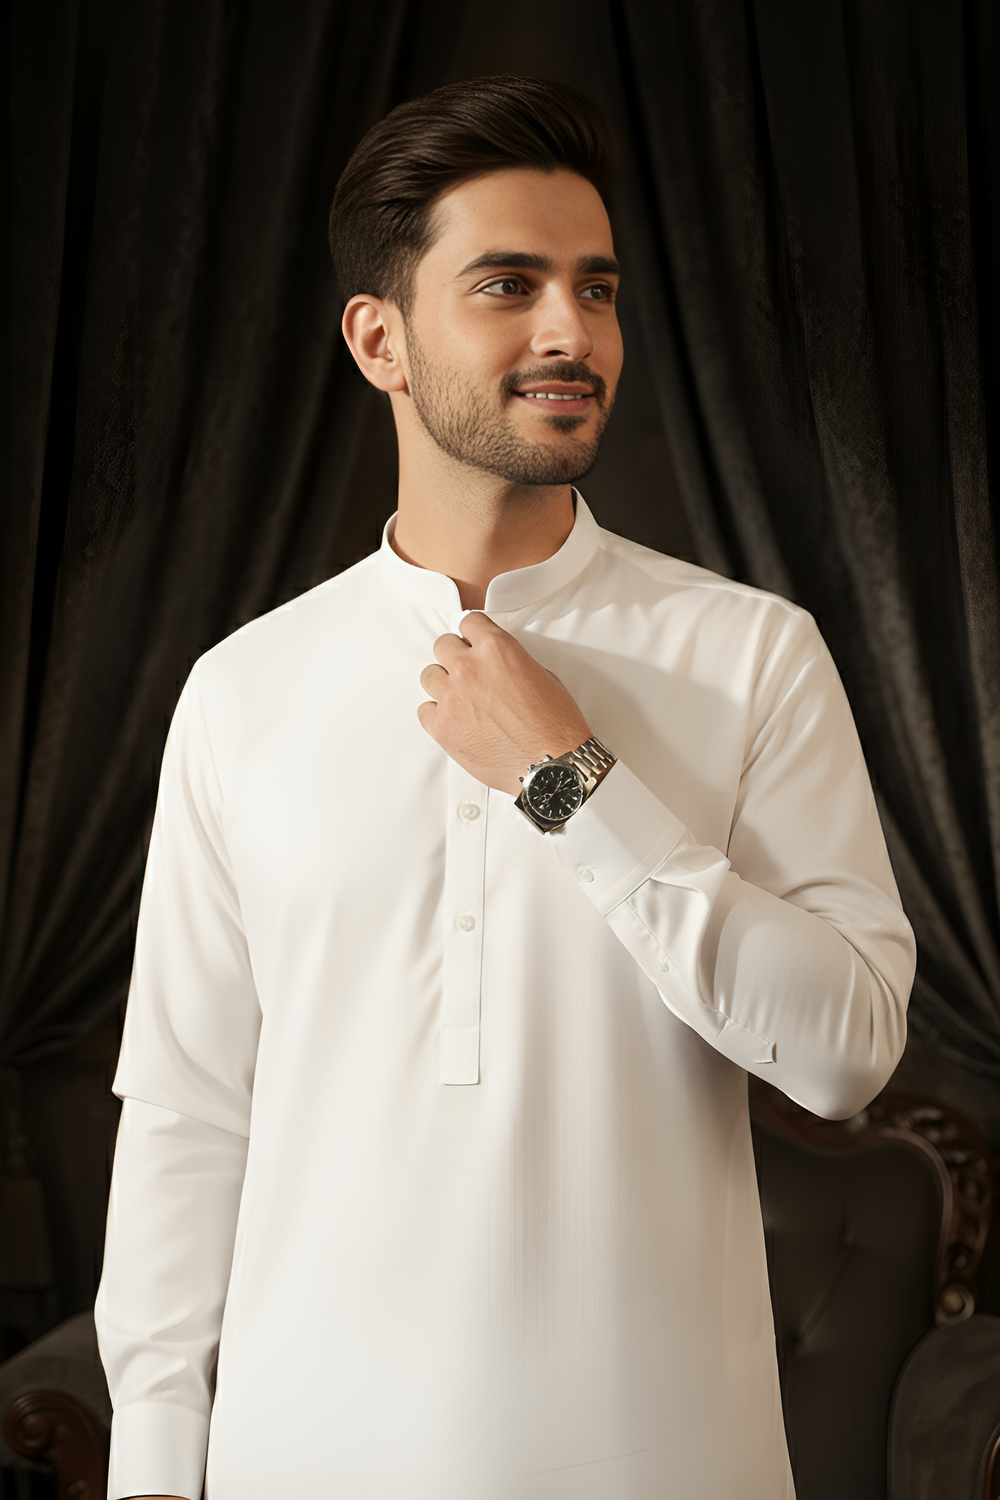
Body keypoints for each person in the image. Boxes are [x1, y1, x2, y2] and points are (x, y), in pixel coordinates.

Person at [95, 75, 915, 1500]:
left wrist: (569, 781)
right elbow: (186, 1113)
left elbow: (846, 1051)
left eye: (596, 289)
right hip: (305, 1464)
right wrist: (155, 1469)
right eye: (508, 284)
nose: (570, 332)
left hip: (667, 1467)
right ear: (380, 340)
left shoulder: (752, 655)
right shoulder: (243, 691)